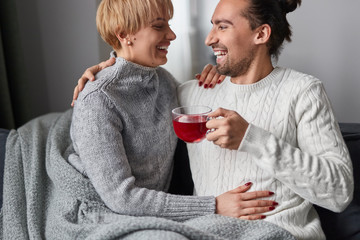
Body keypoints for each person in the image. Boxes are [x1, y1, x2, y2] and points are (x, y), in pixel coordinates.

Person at [75, 0, 354, 239]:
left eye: (222, 26)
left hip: (281, 232)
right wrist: (103, 74)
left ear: (261, 34)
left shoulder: (303, 92)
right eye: (212, 26)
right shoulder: (188, 93)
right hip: (207, 231)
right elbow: (124, 100)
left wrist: (251, 138)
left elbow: (339, 193)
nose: (209, 39)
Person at [69, 0, 278, 225]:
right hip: (102, 212)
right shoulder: (98, 100)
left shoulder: (163, 81)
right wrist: (214, 205)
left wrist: (217, 79)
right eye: (159, 26)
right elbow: (122, 199)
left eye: (168, 24)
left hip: (153, 210)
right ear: (124, 34)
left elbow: (196, 109)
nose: (172, 35)